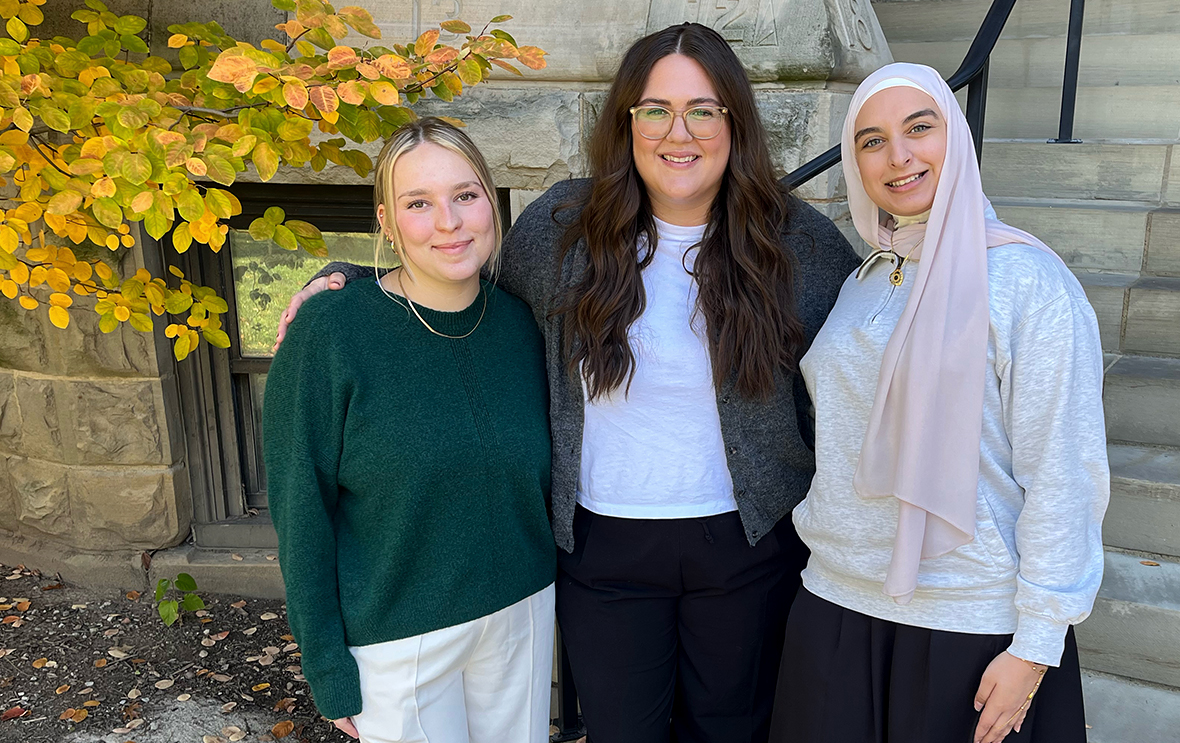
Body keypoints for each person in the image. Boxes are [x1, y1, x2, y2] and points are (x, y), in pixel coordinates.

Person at [276, 23, 861, 743]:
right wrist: (352, 283)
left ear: (735, 121)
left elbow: (871, 350)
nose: (679, 131)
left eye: (704, 109)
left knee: (733, 731)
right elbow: (462, 284)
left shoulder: (800, 246)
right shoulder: (563, 228)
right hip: (603, 550)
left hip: (748, 547)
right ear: (626, 122)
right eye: (655, 109)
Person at [768, 63, 1108, 743]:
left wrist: (1037, 641)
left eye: (919, 128)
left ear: (956, 138)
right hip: (836, 601)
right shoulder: (866, 276)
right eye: (871, 140)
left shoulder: (1026, 281)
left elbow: (1063, 475)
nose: (899, 155)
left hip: (969, 623)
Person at [262, 118, 557, 743]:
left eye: (466, 195)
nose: (448, 222)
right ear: (385, 222)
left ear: (491, 203)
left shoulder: (523, 324)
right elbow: (301, 508)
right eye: (417, 203)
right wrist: (325, 664)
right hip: (399, 637)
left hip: (521, 613)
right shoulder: (331, 333)